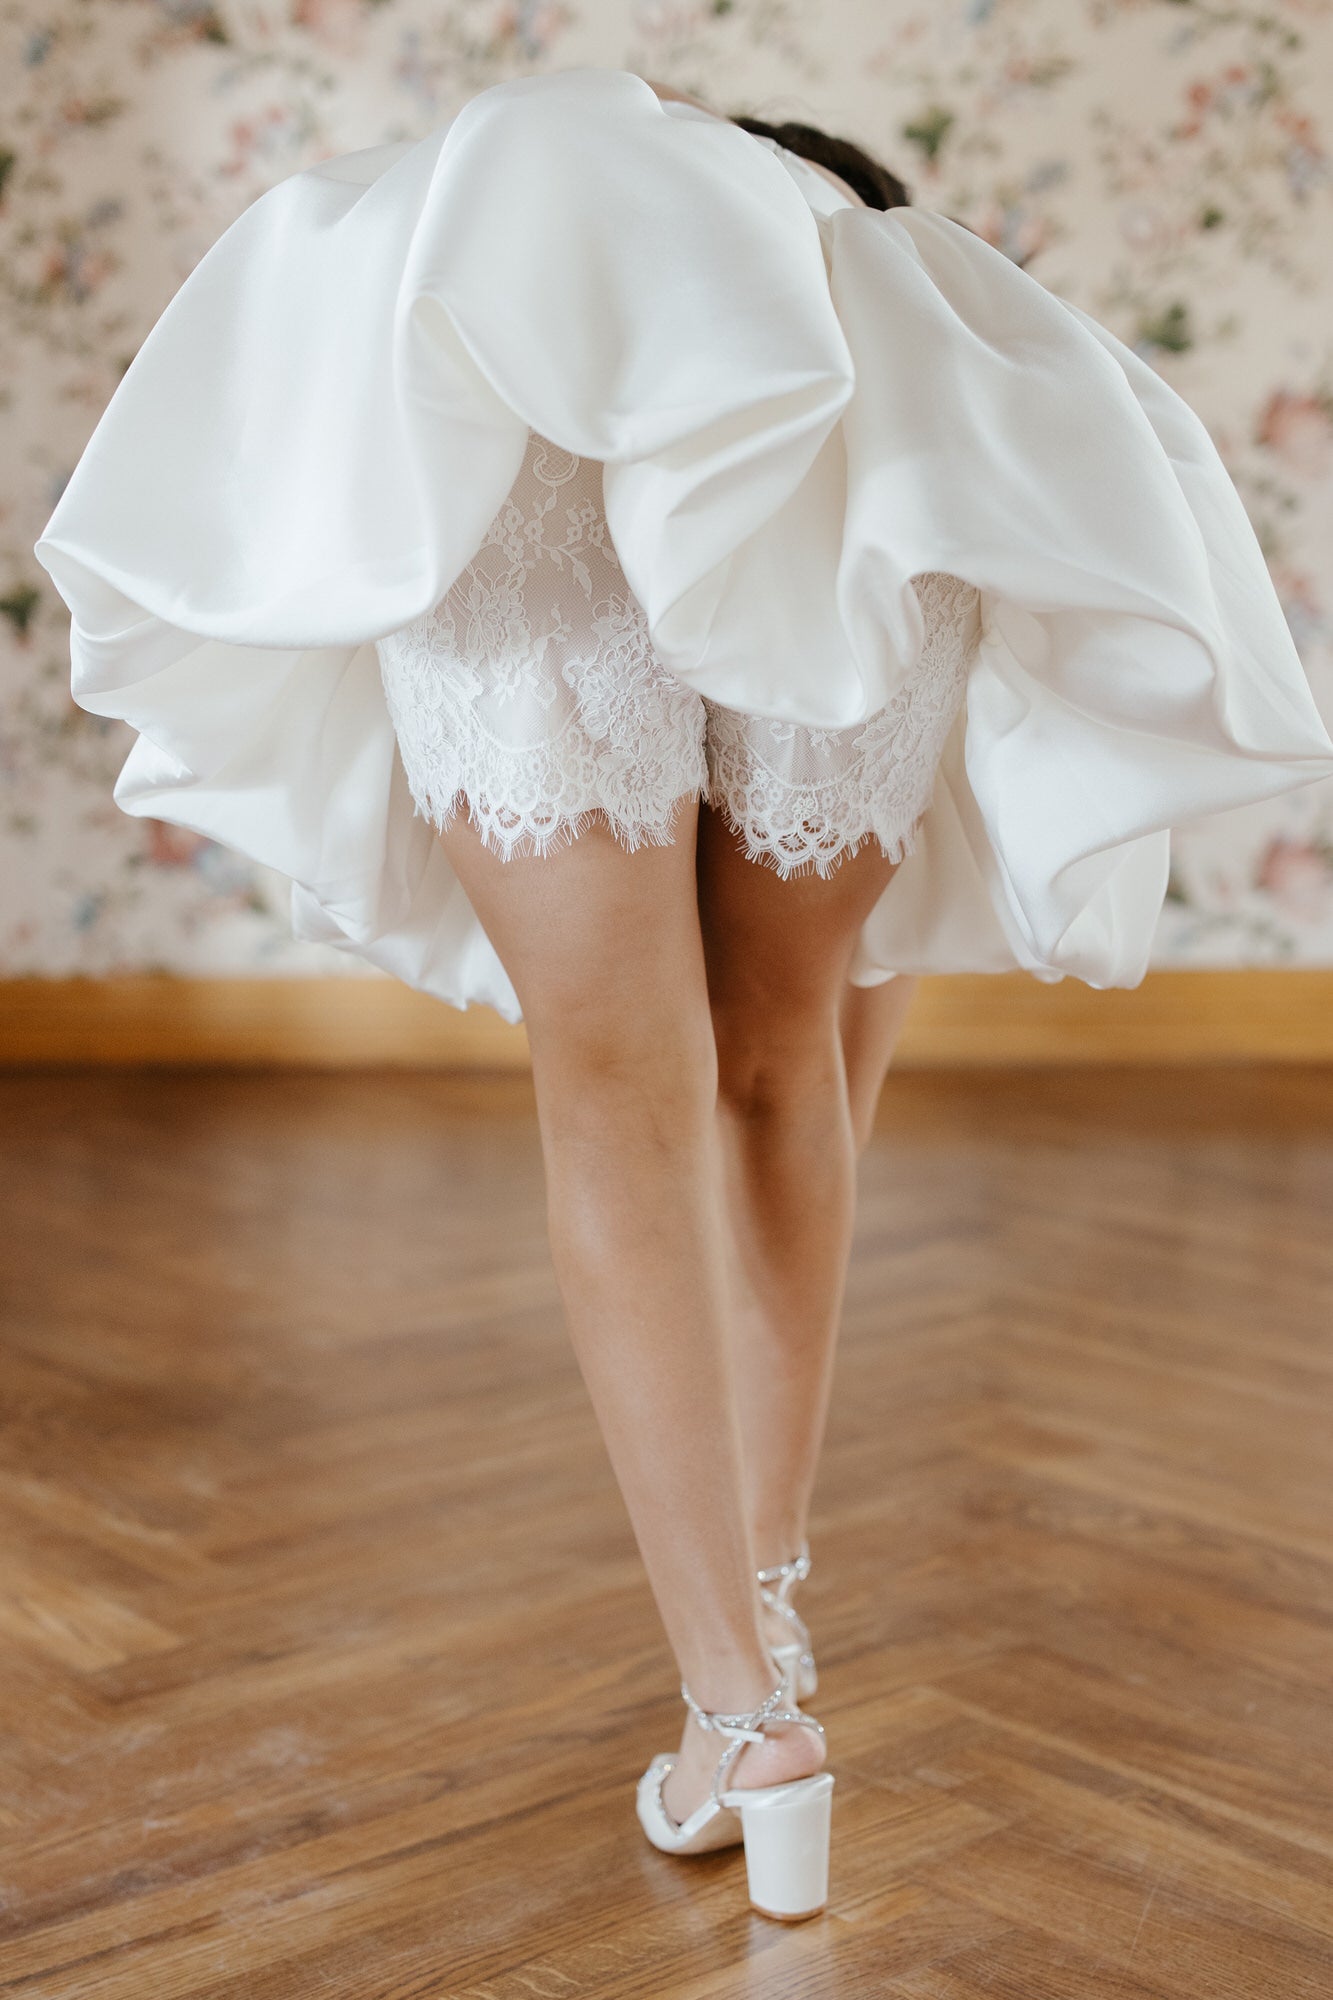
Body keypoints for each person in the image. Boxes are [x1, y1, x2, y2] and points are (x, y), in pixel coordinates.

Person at [33, 66, 1333, 1922]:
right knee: (783, 1061)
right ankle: (766, 1627)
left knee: (613, 1087)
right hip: (859, 485)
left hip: (515, 501)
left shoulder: (534, 290)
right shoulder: (888, 350)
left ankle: (744, 1711)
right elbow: (826, 1047)